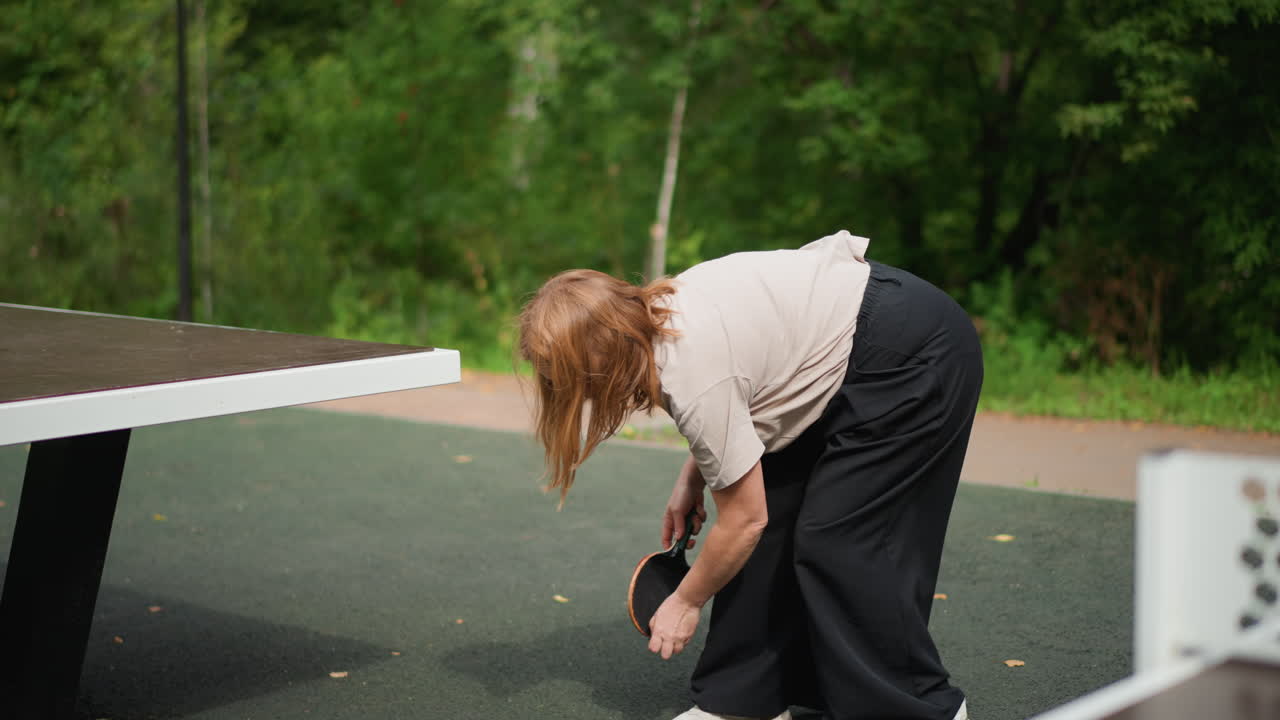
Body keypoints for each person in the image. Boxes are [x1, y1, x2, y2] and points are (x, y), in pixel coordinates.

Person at [517, 230, 982, 720]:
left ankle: (921, 708)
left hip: (914, 354)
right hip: (858, 341)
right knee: (776, 513)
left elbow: (742, 520)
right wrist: (691, 478)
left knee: (841, 540)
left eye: (569, 382)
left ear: (600, 365)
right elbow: (739, 391)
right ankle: (746, 702)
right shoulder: (662, 314)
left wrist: (685, 601)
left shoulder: (691, 371)